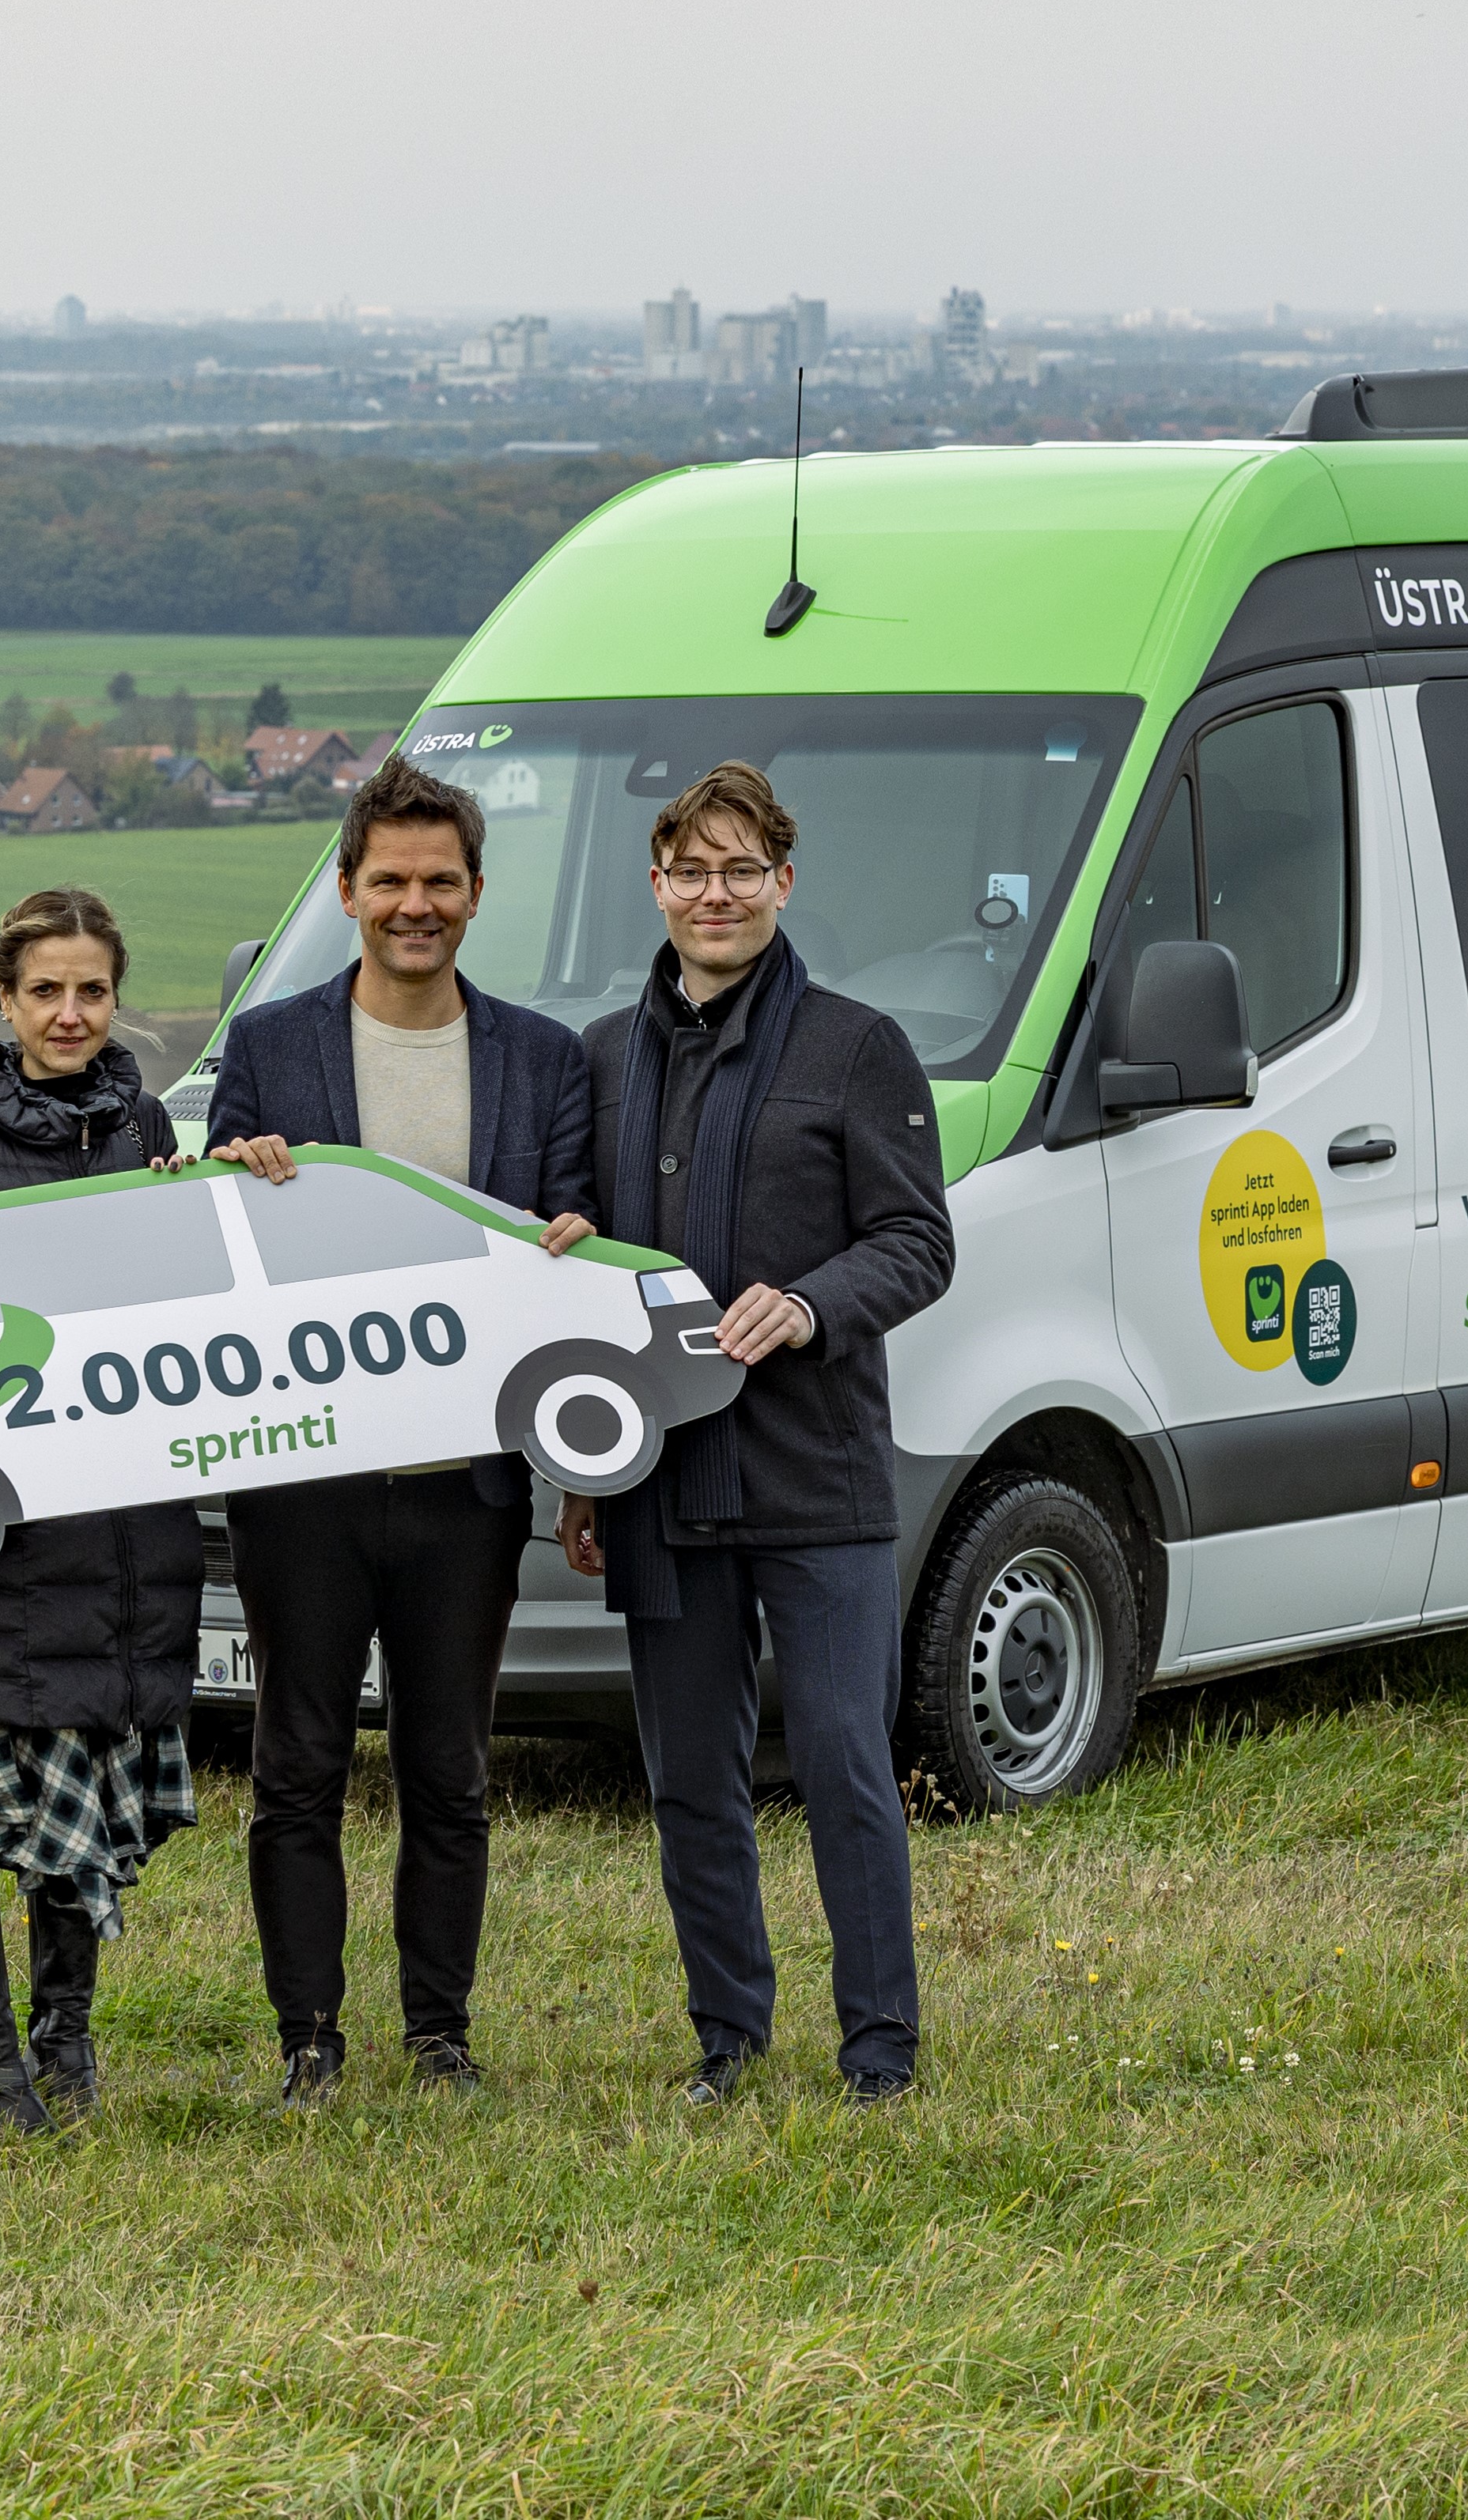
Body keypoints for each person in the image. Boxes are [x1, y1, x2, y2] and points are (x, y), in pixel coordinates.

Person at [559, 759, 955, 2108]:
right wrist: (578, 1471)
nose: (714, 893)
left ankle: (879, 2051)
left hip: (817, 1474)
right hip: (665, 1481)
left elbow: (916, 1242)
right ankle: (726, 2039)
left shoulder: (857, 1047)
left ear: (783, 883)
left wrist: (809, 1302)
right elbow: (581, 1281)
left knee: (846, 1764)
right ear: (656, 885)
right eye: (692, 870)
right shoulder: (603, 1059)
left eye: (743, 870)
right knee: (688, 1784)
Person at [206, 754, 596, 2107]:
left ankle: (440, 2034)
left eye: (439, 882)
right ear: (346, 888)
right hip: (304, 1483)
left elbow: (572, 1263)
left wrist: (577, 1244)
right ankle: (307, 2037)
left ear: (476, 893)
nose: (413, 904)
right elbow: (216, 1257)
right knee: (296, 1763)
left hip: (467, 1485)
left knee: (450, 1768)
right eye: (390, 881)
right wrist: (230, 1176)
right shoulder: (268, 1046)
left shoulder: (546, 1061)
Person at [0, 887, 202, 2131]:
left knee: (94, 1767)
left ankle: (65, 2040)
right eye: (46, 991)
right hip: (5, 1533)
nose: (71, 1013)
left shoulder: (145, 1124)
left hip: (129, 1521)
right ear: (4, 1000)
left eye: (93, 991)